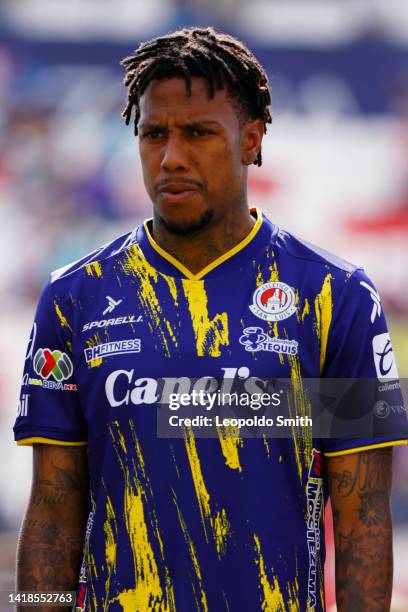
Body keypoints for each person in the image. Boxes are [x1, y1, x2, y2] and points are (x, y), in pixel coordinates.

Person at [14, 27, 408, 611]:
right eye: (154, 134)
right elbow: (52, 508)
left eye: (198, 133)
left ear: (251, 139)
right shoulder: (76, 297)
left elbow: (364, 518)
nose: (172, 157)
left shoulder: (336, 296)